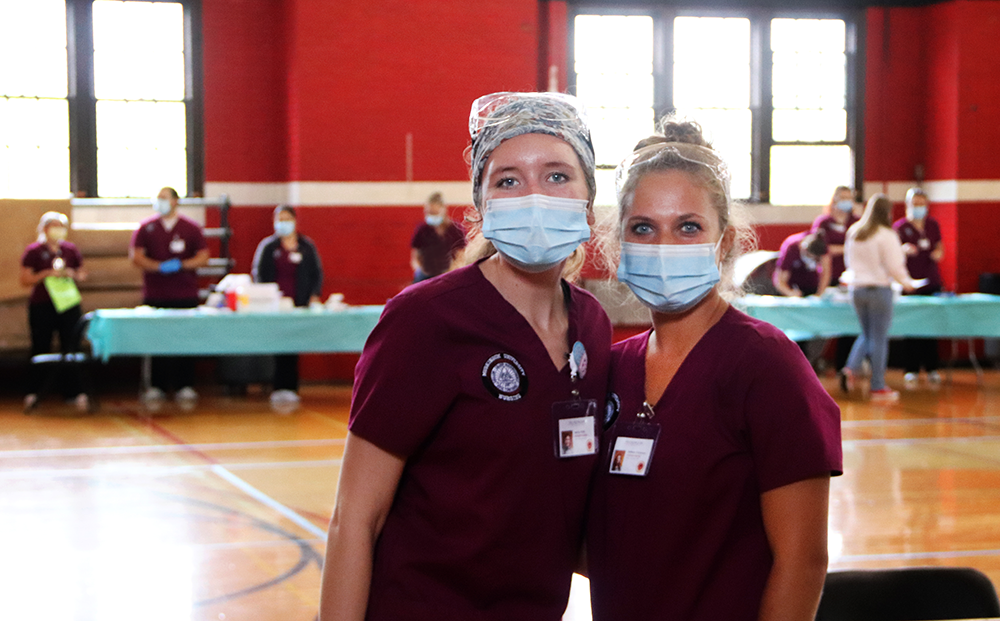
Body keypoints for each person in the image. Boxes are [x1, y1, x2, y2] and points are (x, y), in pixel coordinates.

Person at [319, 92, 612, 621]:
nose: (534, 196)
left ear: (588, 199)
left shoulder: (592, 325)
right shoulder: (426, 320)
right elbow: (355, 516)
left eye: (557, 175)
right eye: (507, 180)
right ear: (480, 205)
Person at [587, 121, 842, 621]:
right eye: (643, 228)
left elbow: (802, 562)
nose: (665, 246)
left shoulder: (766, 365)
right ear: (619, 248)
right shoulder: (611, 369)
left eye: (688, 226)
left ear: (724, 243)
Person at [129, 186, 210, 407]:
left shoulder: (190, 228)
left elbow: (203, 256)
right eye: (158, 198)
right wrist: (157, 266)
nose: (160, 201)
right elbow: (136, 257)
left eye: (164, 198)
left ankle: (185, 385)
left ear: (175, 201)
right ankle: (157, 385)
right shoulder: (147, 228)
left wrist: (182, 265)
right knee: (157, 339)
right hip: (156, 293)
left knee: (184, 339)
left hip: (184, 293)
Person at [841, 194, 918, 402]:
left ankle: (850, 368)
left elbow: (849, 261)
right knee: (879, 338)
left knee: (866, 334)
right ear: (887, 212)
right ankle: (878, 385)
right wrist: (907, 283)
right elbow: (894, 265)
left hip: (857, 290)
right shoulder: (886, 234)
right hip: (879, 290)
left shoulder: (854, 231)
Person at [251, 205, 324, 405]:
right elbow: (258, 274)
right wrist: (266, 296)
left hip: (299, 304)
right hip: (276, 305)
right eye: (279, 220)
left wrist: (314, 295)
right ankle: (278, 385)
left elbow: (317, 273)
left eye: (286, 219)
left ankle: (291, 386)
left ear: (294, 221)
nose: (283, 223)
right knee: (279, 345)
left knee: (294, 345)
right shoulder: (268, 247)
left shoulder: (306, 246)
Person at [20, 212, 89, 412]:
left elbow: (82, 273)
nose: (57, 229)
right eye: (53, 225)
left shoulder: (70, 250)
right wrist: (46, 274)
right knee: (41, 346)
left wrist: (72, 274)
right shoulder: (34, 251)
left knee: (71, 347)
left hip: (68, 304)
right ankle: (34, 391)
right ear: (44, 228)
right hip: (43, 304)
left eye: (61, 225)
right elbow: (25, 279)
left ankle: (74, 392)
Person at [893, 187, 944, 389]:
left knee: (930, 326)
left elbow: (940, 247)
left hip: (931, 282)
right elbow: (892, 254)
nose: (919, 207)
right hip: (910, 284)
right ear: (908, 205)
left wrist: (938, 253)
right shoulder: (900, 227)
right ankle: (911, 369)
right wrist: (903, 250)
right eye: (916, 203)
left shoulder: (932, 225)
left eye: (923, 204)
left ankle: (931, 368)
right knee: (912, 327)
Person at [812, 186, 859, 371]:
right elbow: (821, 250)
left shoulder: (856, 222)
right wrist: (845, 249)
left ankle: (846, 366)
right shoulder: (823, 222)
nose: (846, 202)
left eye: (850, 198)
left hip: (850, 279)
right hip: (827, 279)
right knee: (824, 322)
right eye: (843, 198)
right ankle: (814, 360)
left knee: (849, 323)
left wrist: (837, 249)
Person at [409, 191, 466, 283]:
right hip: (425, 276)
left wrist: (450, 273)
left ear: (443, 210)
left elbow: (461, 257)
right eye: (430, 213)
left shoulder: (455, 230)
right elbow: (415, 257)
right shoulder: (422, 230)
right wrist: (419, 270)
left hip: (449, 274)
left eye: (435, 213)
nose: (432, 216)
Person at [773, 230, 831, 297]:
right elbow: (780, 279)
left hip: (811, 285)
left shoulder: (823, 248)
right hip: (792, 286)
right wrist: (790, 293)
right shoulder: (791, 248)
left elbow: (826, 273)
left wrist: (819, 295)